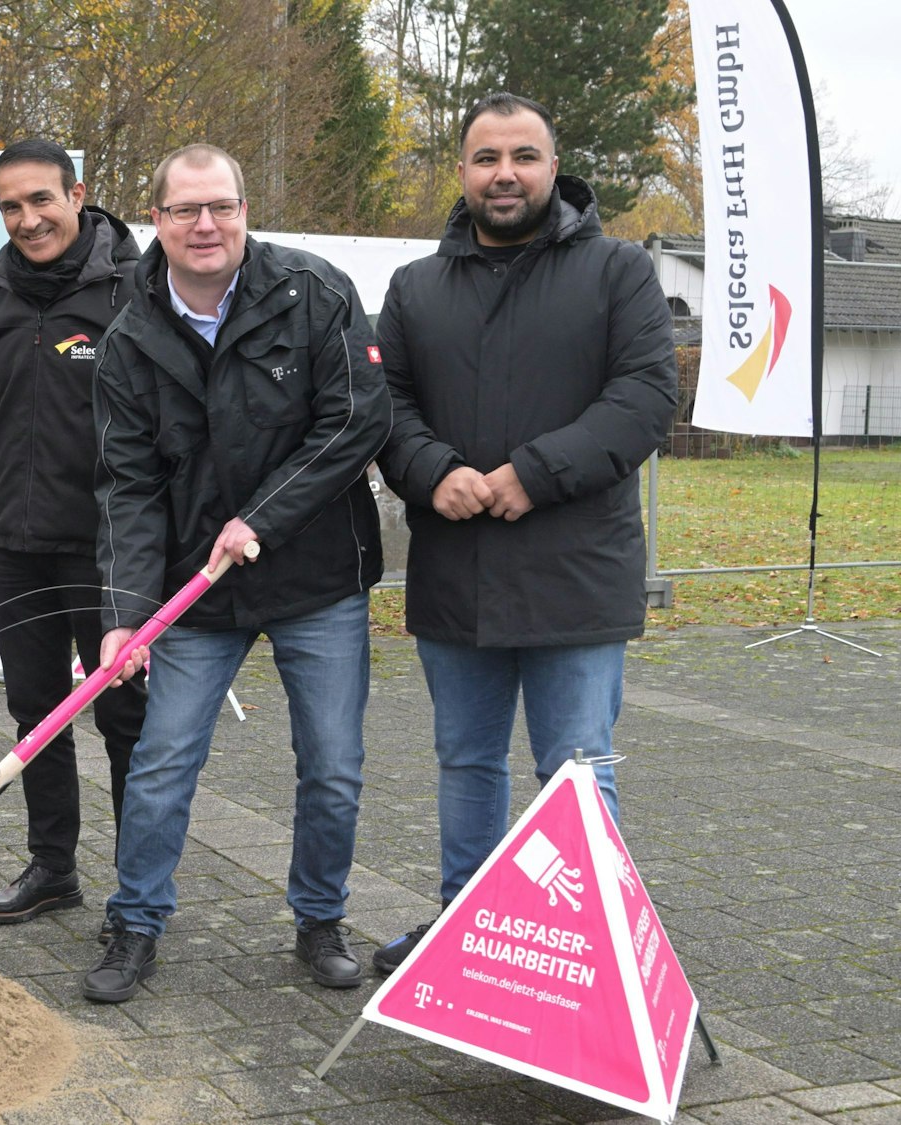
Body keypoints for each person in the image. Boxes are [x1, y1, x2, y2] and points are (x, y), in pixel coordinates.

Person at [371, 93, 677, 974]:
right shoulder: (416, 287)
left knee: (578, 775)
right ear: (461, 172)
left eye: (524, 156)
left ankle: (591, 955)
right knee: (465, 764)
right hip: (455, 573)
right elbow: (385, 407)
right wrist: (434, 469)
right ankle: (466, 931)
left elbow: (646, 400)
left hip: (575, 576)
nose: (504, 173)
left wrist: (527, 475)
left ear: (555, 167)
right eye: (485, 158)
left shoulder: (619, 271)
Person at [83, 144, 390, 1003]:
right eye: (185, 210)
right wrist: (124, 612)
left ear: (245, 209)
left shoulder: (316, 293)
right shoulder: (127, 338)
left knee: (332, 762)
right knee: (162, 757)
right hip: (196, 587)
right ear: (159, 220)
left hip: (317, 577)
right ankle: (135, 922)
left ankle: (320, 918)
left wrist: (265, 515)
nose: (205, 224)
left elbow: (356, 422)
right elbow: (127, 487)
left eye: (221, 205)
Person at [0, 140, 147, 931]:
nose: (29, 218)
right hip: (18, 543)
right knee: (36, 710)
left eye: (42, 199)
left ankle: (139, 885)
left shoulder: (135, 291)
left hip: (109, 546)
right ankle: (53, 868)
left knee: (126, 716)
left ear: (79, 194)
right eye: (12, 205)